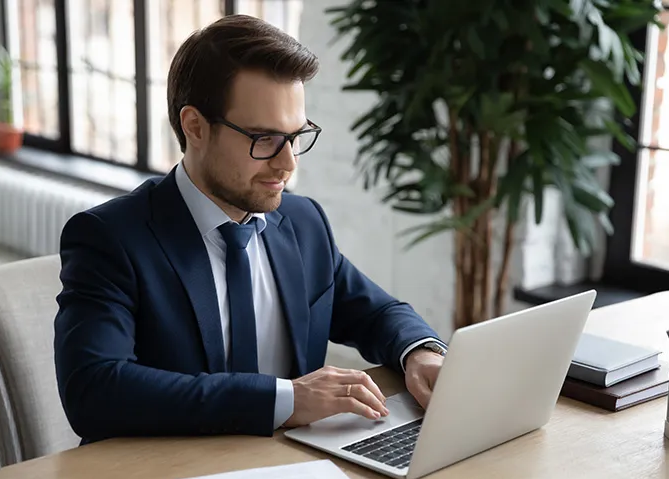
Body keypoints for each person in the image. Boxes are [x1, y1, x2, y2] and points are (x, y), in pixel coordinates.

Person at [53, 14, 447, 445]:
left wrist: (421, 351)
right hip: (165, 475)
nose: (288, 163)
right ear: (195, 127)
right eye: (264, 138)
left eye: (295, 137)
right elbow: (93, 390)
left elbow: (375, 313)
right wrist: (286, 399)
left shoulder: (303, 222)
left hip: (295, 469)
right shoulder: (109, 238)